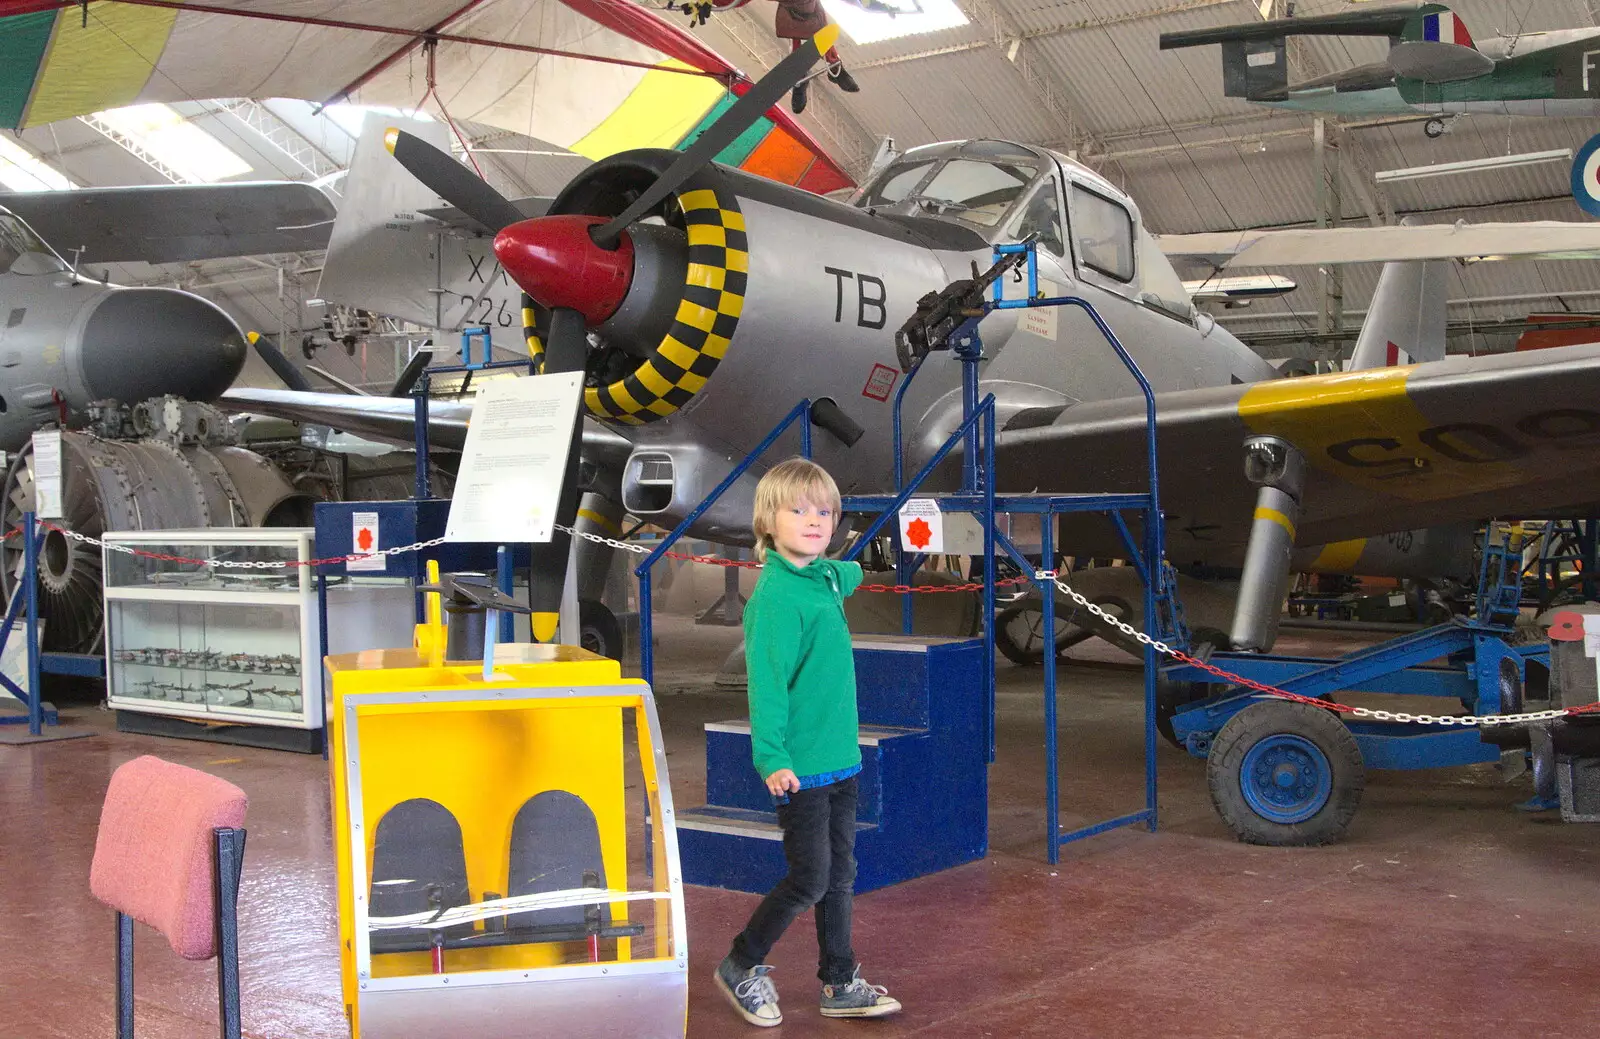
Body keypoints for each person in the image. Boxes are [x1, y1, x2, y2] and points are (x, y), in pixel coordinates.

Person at [713, 457, 902, 1027]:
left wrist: (902, 533)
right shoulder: (775, 600)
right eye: (798, 510)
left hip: (841, 759)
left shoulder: (822, 577)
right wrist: (770, 755)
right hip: (800, 768)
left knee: (840, 876)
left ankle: (839, 981)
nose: (815, 520)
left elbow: (847, 575)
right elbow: (767, 686)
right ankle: (741, 965)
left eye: (825, 511)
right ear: (767, 522)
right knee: (809, 880)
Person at [706, 0, 863, 113]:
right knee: (805, 28)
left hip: (808, 11)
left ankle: (830, 68)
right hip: (798, 11)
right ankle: (806, 75)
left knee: (815, 23)